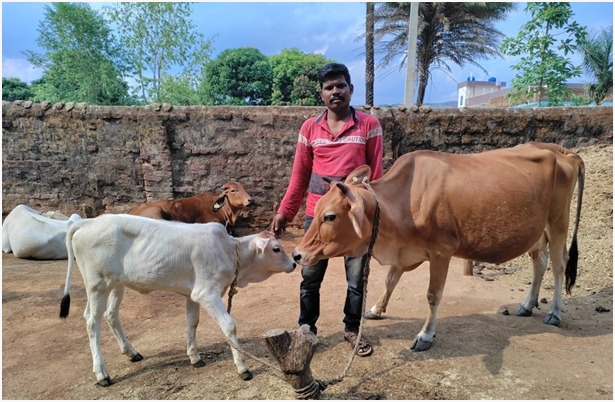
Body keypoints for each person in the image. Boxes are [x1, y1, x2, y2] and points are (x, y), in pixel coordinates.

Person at [270, 63, 383, 357]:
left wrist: (373, 221)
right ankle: (307, 329)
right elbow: (299, 177)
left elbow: (376, 178)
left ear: (350, 89)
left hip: (353, 219)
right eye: (329, 87)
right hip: (317, 216)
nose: (335, 91)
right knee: (310, 276)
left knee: (356, 280)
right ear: (321, 93)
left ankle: (352, 329)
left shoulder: (368, 125)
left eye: (340, 85)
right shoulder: (310, 128)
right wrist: (284, 212)